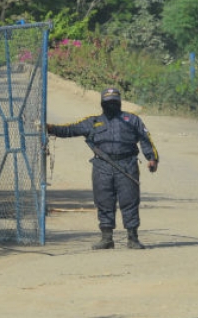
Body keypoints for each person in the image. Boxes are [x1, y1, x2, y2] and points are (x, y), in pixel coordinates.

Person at [46, 87, 159, 249]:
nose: (111, 105)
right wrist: (50, 128)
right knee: (104, 201)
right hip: (102, 166)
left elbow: (145, 138)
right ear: (102, 104)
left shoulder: (132, 120)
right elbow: (69, 129)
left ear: (119, 103)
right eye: (108, 103)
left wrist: (152, 158)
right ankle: (107, 238)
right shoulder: (92, 122)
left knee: (130, 201)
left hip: (127, 165)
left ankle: (133, 238)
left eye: (114, 102)